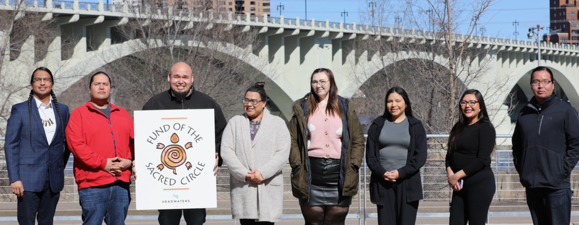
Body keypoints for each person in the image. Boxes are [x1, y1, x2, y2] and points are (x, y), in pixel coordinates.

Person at [142, 62, 227, 225]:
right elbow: (143, 141)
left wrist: (217, 156)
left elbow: (222, 134)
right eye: (176, 76)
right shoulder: (154, 105)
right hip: (165, 183)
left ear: (192, 79)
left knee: (197, 221)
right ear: (169, 78)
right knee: (167, 221)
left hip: (197, 181)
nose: (181, 81)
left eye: (185, 77)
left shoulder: (207, 104)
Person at [288, 68, 365, 225]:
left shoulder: (345, 108)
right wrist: (297, 164)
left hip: (340, 175)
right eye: (315, 82)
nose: (318, 85)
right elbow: (292, 139)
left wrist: (354, 164)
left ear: (331, 83)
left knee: (335, 222)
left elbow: (357, 138)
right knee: (313, 222)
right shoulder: (302, 108)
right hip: (310, 174)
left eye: (323, 81)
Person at [512, 66, 579, 225]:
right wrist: (523, 170)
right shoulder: (524, 113)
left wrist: (561, 171)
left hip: (556, 186)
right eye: (536, 82)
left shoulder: (566, 111)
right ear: (531, 85)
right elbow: (517, 146)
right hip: (532, 185)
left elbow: (576, 144)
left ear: (553, 84)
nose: (540, 86)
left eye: (545, 81)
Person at [66, 71, 134, 225]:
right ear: (90, 89)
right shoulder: (79, 115)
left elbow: (134, 143)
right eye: (97, 84)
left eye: (105, 84)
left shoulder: (123, 114)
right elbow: (76, 146)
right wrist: (103, 163)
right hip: (92, 184)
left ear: (111, 89)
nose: (101, 87)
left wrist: (129, 162)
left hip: (120, 183)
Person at [4, 67, 70, 225]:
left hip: (53, 179)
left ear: (52, 84)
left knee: (47, 222)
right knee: (26, 221)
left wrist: (59, 167)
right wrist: (15, 179)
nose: (42, 83)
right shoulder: (19, 110)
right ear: (32, 84)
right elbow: (10, 145)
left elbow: (67, 143)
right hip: (27, 181)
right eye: (37, 79)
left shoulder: (63, 110)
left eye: (46, 79)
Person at [220, 82, 291, 225]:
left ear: (264, 103)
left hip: (268, 186)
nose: (249, 104)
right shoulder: (235, 122)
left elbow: (282, 153)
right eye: (246, 100)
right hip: (244, 188)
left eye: (253, 101)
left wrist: (262, 173)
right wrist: (244, 173)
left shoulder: (278, 124)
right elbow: (226, 151)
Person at [365, 87, 427, 225]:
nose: (393, 105)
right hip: (383, 182)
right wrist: (382, 173)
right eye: (389, 101)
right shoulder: (377, 125)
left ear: (406, 103)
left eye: (398, 101)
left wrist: (400, 173)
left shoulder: (416, 125)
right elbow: (370, 156)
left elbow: (420, 156)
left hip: (408, 183)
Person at [445, 89, 496, 225]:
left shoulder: (485, 127)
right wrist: (451, 176)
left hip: (479, 184)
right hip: (459, 186)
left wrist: (457, 175)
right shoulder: (457, 127)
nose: (468, 106)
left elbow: (482, 160)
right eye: (464, 102)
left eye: (472, 102)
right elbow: (449, 155)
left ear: (480, 106)